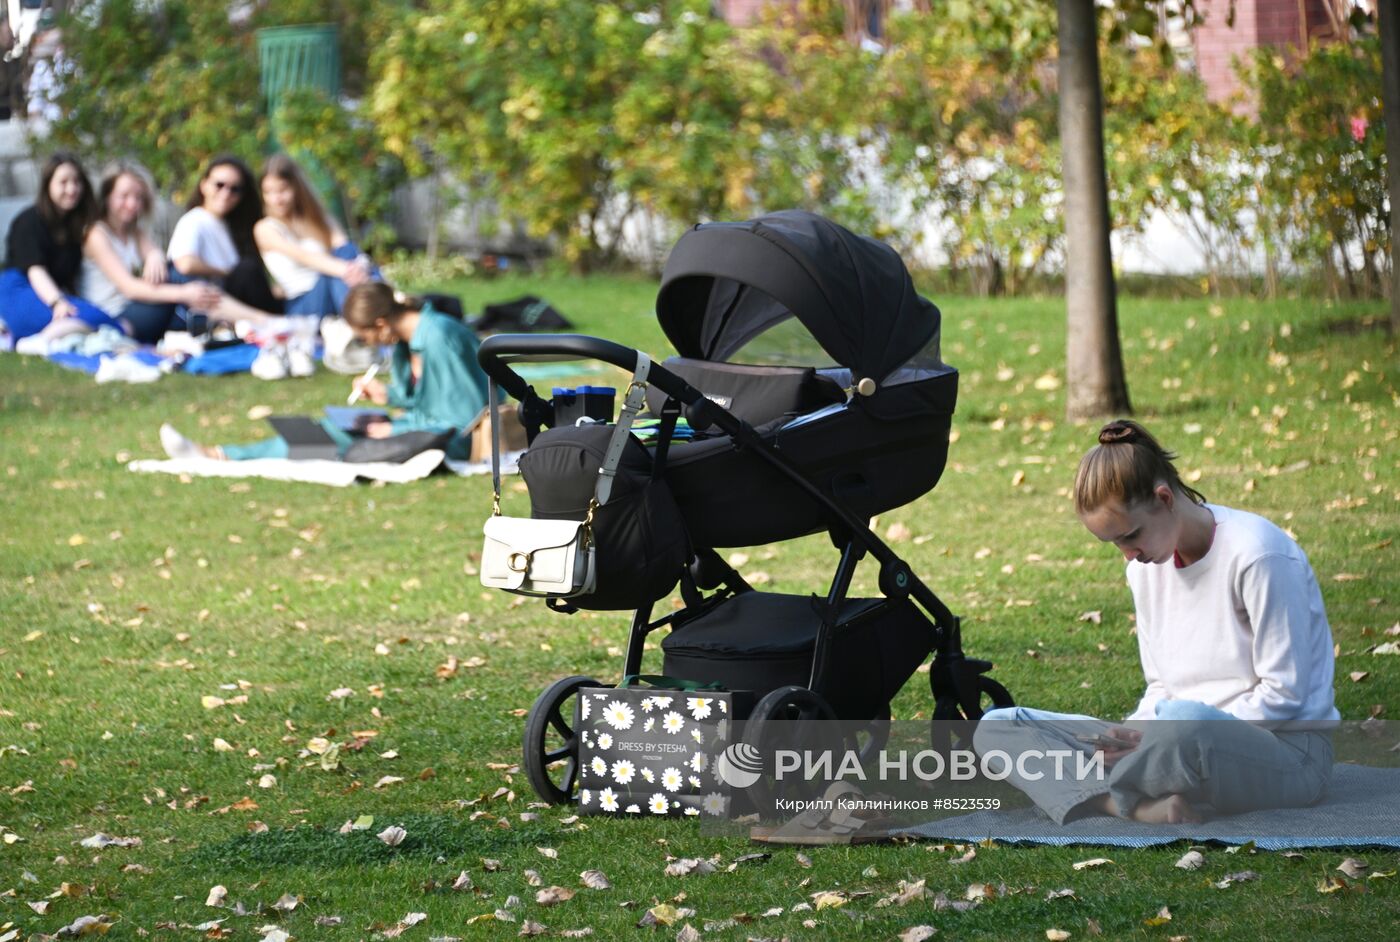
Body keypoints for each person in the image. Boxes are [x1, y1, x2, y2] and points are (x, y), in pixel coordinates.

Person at [973, 419, 1338, 825]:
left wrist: (1156, 738)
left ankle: (1105, 791)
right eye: (1114, 544)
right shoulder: (1145, 569)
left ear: (1164, 498)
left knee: (1187, 725)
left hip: (1287, 752)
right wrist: (1129, 735)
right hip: (1174, 738)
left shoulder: (1259, 556)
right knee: (1000, 727)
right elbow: (1161, 686)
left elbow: (1284, 696)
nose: (1128, 554)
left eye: (1130, 536)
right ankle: (1140, 806)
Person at [159, 282, 490, 462]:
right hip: (427, 429)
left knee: (333, 438)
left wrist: (393, 430)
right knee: (331, 429)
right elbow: (427, 399)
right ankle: (223, 455)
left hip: (457, 440)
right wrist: (387, 396)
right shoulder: (407, 341)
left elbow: (460, 417)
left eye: (365, 337)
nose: (369, 345)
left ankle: (221, 456)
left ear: (379, 324)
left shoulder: (437, 337)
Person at [80, 165, 225, 344]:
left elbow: (159, 260)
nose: (132, 204)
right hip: (116, 317)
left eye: (138, 197)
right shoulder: (96, 235)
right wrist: (184, 293)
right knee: (179, 276)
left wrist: (154, 256)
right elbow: (129, 288)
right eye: (124, 196)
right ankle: (233, 320)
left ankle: (222, 323)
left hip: (139, 308)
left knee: (177, 272)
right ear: (108, 197)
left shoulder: (135, 232)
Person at [1, 151, 128, 349]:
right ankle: (35, 340)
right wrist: (57, 302)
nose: (72, 189)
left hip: (51, 294)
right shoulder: (29, 221)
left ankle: (32, 339)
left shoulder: (75, 227)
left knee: (109, 323)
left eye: (77, 182)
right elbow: (35, 271)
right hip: (20, 290)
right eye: (63, 182)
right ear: (48, 185)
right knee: (101, 321)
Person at [253, 153, 376, 316]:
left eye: (282, 190)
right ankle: (363, 318)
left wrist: (356, 267)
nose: (276, 199)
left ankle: (367, 315)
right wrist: (346, 270)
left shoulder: (319, 219)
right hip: (305, 305)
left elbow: (345, 247)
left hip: (337, 289)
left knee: (345, 251)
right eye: (268, 192)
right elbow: (304, 257)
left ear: (296, 187)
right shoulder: (265, 228)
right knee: (334, 271)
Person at [167, 155, 280, 317]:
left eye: (235, 189)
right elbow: (185, 263)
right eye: (219, 185)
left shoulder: (231, 227)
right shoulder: (194, 220)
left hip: (233, 302)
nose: (226, 193)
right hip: (209, 304)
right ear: (204, 185)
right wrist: (226, 272)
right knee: (247, 270)